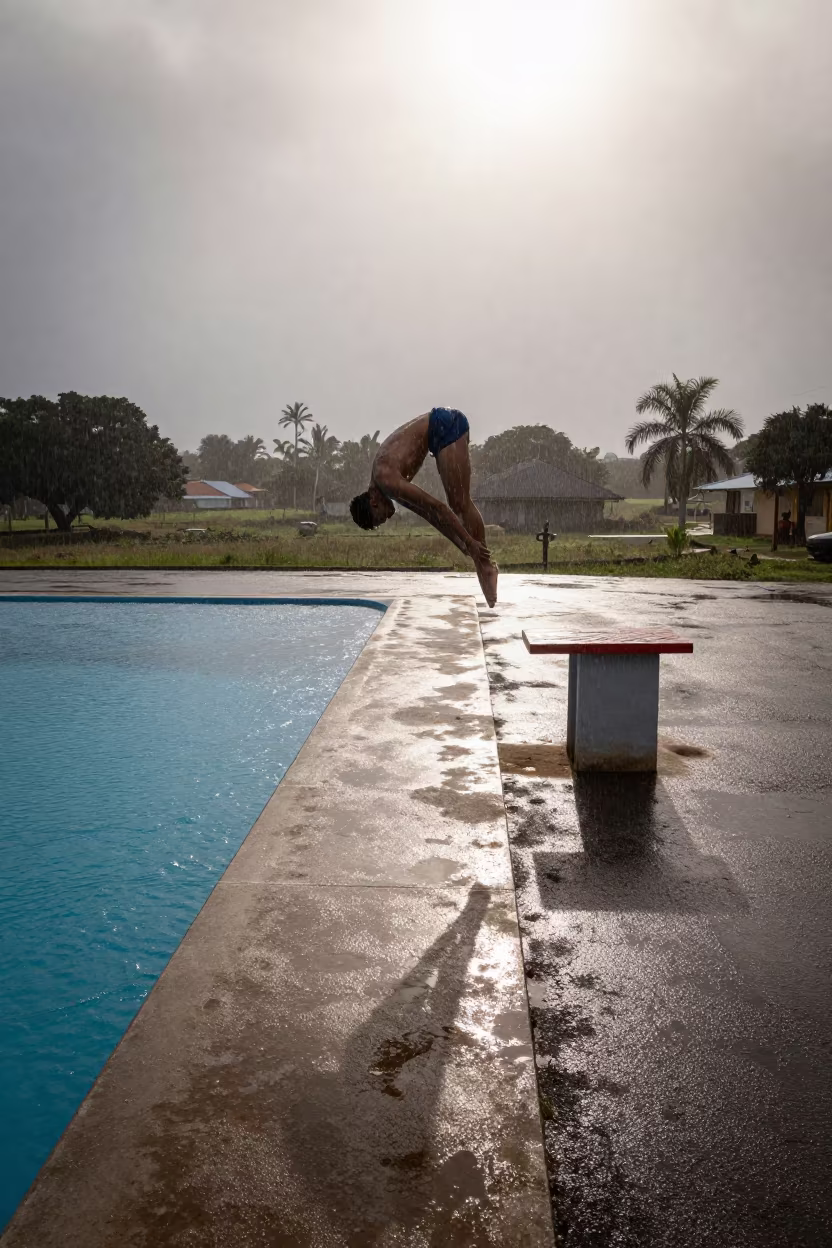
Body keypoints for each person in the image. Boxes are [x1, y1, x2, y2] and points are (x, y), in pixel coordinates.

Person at [349, 407, 498, 606]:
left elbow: (437, 507)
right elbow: (430, 516)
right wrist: (461, 543)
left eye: (380, 518)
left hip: (445, 424)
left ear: (373, 503)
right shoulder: (386, 488)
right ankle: (481, 562)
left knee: (459, 502)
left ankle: (484, 564)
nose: (387, 518)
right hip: (438, 434)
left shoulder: (386, 480)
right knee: (457, 503)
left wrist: (469, 542)